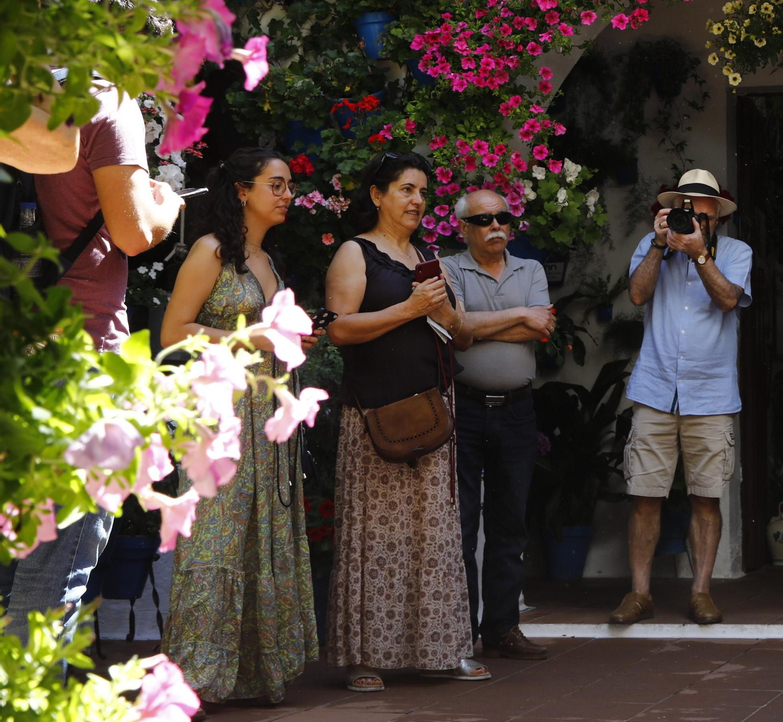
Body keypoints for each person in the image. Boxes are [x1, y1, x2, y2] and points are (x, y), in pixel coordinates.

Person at [0, 77, 183, 644]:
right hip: (76, 350)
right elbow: (131, 232)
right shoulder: (106, 101)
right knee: (52, 576)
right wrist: (167, 207)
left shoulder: (14, 94)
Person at [158, 148, 320, 706]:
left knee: (259, 535)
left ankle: (250, 673)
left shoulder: (266, 259)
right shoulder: (211, 251)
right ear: (242, 192)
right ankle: (194, 680)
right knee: (215, 537)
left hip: (268, 416)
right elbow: (173, 332)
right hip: (222, 417)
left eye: (290, 184)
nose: (287, 194)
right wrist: (245, 338)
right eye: (276, 183)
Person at [322, 153, 483, 695]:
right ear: (377, 195)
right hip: (375, 414)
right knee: (374, 538)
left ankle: (438, 649)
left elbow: (458, 335)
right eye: (405, 190)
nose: (417, 200)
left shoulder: (425, 257)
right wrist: (410, 309)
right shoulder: (355, 252)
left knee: (432, 537)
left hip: (431, 412)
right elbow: (339, 330)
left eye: (422, 192)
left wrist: (446, 317)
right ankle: (364, 658)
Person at [609, 169, 751, 627]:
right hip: (655, 390)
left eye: (703, 216)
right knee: (645, 495)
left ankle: (702, 592)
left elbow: (728, 299)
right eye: (687, 213)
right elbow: (636, 293)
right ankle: (640, 593)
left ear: (718, 220)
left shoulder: (736, 252)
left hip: (710, 394)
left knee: (706, 498)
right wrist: (658, 245)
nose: (695, 221)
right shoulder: (653, 246)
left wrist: (700, 255)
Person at [442, 188, 556, 662]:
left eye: (503, 218)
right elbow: (454, 331)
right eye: (484, 219)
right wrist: (517, 316)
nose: (496, 226)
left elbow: (542, 327)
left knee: (510, 521)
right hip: (464, 409)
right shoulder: (449, 269)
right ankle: (462, 632)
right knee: (463, 524)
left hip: (516, 410)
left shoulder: (531, 269)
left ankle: (503, 628)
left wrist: (479, 324)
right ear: (464, 228)